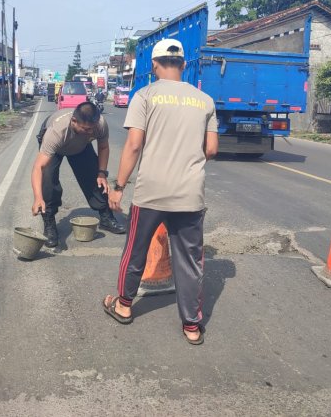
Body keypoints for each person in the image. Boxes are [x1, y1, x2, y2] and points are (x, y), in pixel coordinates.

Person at [101, 38, 219, 345]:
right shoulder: (205, 100)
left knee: (135, 250)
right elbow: (212, 149)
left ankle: (124, 306)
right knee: (190, 260)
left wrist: (118, 187)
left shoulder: (145, 95)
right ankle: (192, 326)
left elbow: (134, 145)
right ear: (183, 64)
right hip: (189, 194)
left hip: (151, 191)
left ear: (154, 65)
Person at [32, 101, 125, 247]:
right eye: (86, 129)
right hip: (56, 149)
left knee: (96, 178)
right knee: (48, 181)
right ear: (74, 121)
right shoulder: (56, 132)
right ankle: (49, 224)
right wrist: (38, 197)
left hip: (80, 148)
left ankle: (106, 218)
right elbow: (38, 167)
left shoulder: (99, 124)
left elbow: (103, 146)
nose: (91, 133)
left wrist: (102, 173)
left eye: (92, 129)